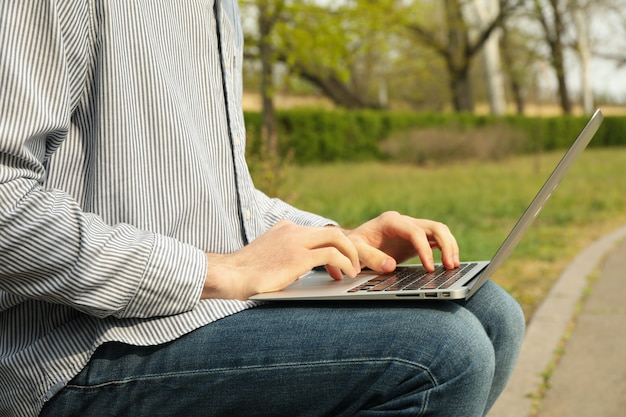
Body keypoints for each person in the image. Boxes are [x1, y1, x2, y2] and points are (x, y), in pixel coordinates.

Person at [0, 1, 525, 416]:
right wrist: (218, 271)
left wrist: (337, 241)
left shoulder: (219, 11)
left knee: (494, 314)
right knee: (439, 356)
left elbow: (222, 195)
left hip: (200, 312)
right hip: (71, 350)